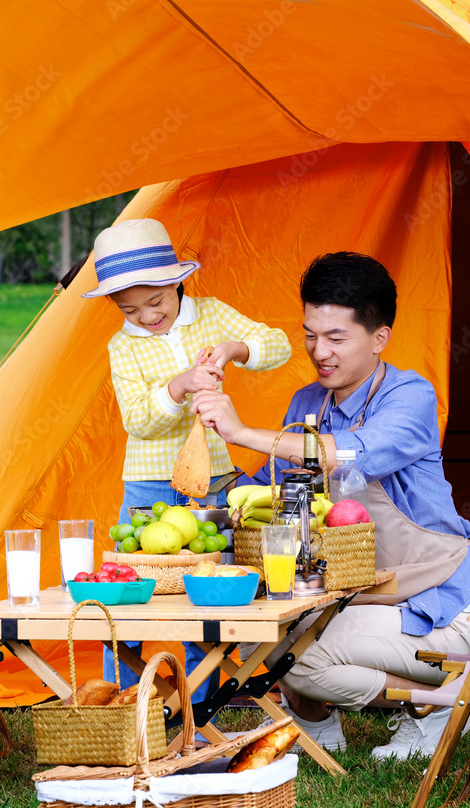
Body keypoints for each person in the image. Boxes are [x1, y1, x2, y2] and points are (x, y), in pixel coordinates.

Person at [192, 251, 470, 757]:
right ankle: (316, 719)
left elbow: (350, 453)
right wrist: (208, 455)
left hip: (439, 606)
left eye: (336, 338)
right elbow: (277, 492)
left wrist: (242, 430)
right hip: (358, 597)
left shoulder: (410, 397)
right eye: (311, 334)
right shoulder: (306, 404)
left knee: (298, 658)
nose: (319, 351)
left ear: (379, 338)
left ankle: (440, 704)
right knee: (255, 638)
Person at [82, 218, 292, 698]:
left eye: (155, 302)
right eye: (130, 309)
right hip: (149, 485)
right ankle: (117, 700)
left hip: (212, 478)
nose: (147, 316)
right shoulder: (123, 347)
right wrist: (177, 387)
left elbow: (277, 345)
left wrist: (236, 348)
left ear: (177, 281)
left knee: (206, 591)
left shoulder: (212, 314)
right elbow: (137, 421)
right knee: (128, 593)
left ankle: (199, 704)